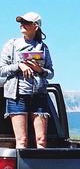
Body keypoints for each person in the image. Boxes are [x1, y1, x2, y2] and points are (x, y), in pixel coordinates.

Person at [0, 12, 54, 148]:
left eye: (26, 22)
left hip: (39, 95)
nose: (22, 25)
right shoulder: (11, 45)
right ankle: (21, 168)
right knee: (21, 140)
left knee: (41, 140)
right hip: (16, 96)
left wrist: (40, 70)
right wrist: (19, 65)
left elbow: (50, 73)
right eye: (21, 22)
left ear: (35, 26)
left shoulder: (43, 47)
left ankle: (42, 167)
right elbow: (1, 69)